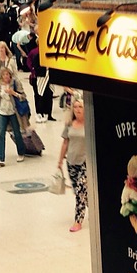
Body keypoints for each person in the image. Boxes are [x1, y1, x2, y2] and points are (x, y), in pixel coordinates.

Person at [57, 95, 88, 233]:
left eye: (80, 107)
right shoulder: (69, 124)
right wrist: (60, 160)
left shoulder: (89, 125)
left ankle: (78, 221)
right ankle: (93, 207)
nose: (77, 109)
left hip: (85, 162)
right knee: (78, 191)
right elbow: (65, 142)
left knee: (80, 190)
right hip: (71, 161)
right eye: (75, 107)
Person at [0, 65, 28, 168]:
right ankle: (0, 157)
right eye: (4, 75)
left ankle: (21, 152)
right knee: (1, 134)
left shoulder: (15, 83)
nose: (6, 76)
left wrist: (14, 93)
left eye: (7, 74)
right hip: (2, 112)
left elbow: (23, 96)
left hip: (13, 112)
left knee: (17, 132)